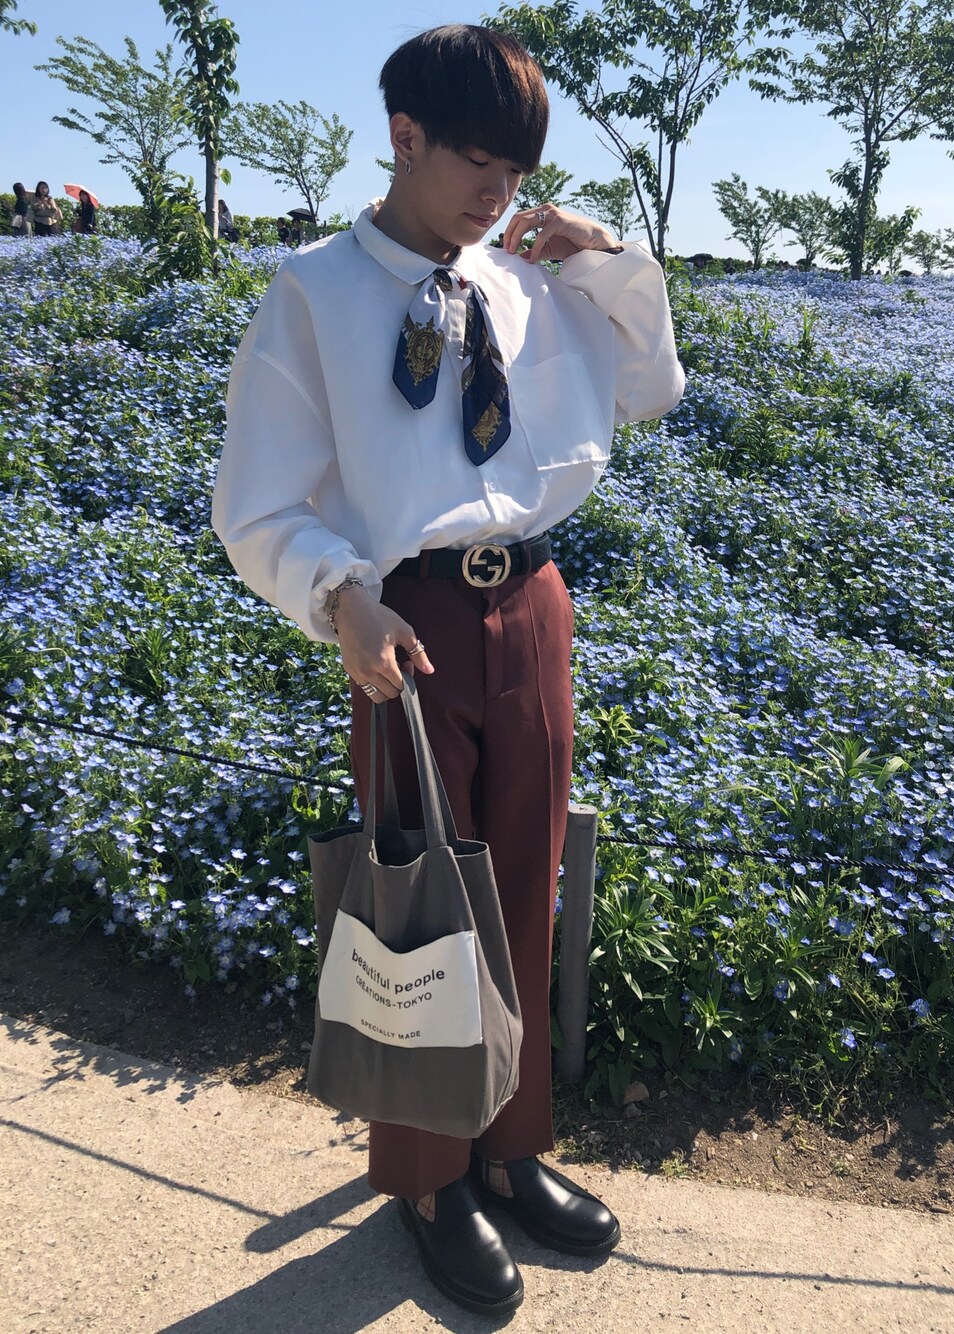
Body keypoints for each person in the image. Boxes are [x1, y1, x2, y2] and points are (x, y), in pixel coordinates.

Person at [212, 23, 685, 1319]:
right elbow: (258, 501)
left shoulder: (530, 281)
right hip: (400, 619)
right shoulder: (314, 292)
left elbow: (650, 389)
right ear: (403, 136)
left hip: (531, 604)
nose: (499, 193)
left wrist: (608, 259)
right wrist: (338, 595)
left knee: (524, 881)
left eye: (518, 170)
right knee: (421, 902)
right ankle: (427, 1180)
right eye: (478, 161)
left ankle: (512, 1148)